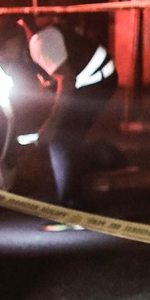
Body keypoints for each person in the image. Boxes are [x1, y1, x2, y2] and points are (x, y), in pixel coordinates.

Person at [17, 14, 118, 209]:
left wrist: (52, 124)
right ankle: (83, 173)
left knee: (61, 138)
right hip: (97, 78)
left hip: (95, 82)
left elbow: (67, 80)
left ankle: (71, 204)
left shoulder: (38, 42)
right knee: (67, 137)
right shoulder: (43, 36)